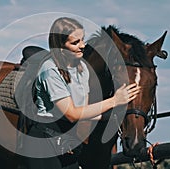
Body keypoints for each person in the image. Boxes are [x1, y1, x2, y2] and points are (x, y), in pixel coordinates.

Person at [22, 17, 140, 169]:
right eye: (75, 42)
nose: (83, 46)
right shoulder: (50, 70)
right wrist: (114, 101)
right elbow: (72, 114)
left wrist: (112, 116)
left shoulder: (83, 69)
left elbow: (84, 111)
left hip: (68, 142)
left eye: (82, 40)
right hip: (44, 143)